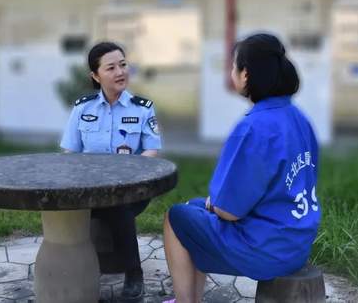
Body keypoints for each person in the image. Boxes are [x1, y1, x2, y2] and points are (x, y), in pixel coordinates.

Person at [162, 33, 320, 303]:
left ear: (246, 74)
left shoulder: (252, 128)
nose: (231, 71)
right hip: (297, 239)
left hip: (264, 249)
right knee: (195, 210)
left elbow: (228, 211)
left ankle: (186, 301)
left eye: (234, 65)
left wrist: (213, 206)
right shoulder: (299, 118)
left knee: (176, 217)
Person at [60, 41, 162, 301]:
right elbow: (70, 153)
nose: (120, 72)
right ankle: (75, 270)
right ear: (95, 76)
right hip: (87, 190)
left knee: (119, 206)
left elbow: (151, 151)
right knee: (64, 211)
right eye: (111, 67)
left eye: (123, 65)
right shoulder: (83, 108)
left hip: (131, 189)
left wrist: (128, 176)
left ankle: (133, 273)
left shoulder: (142, 108)